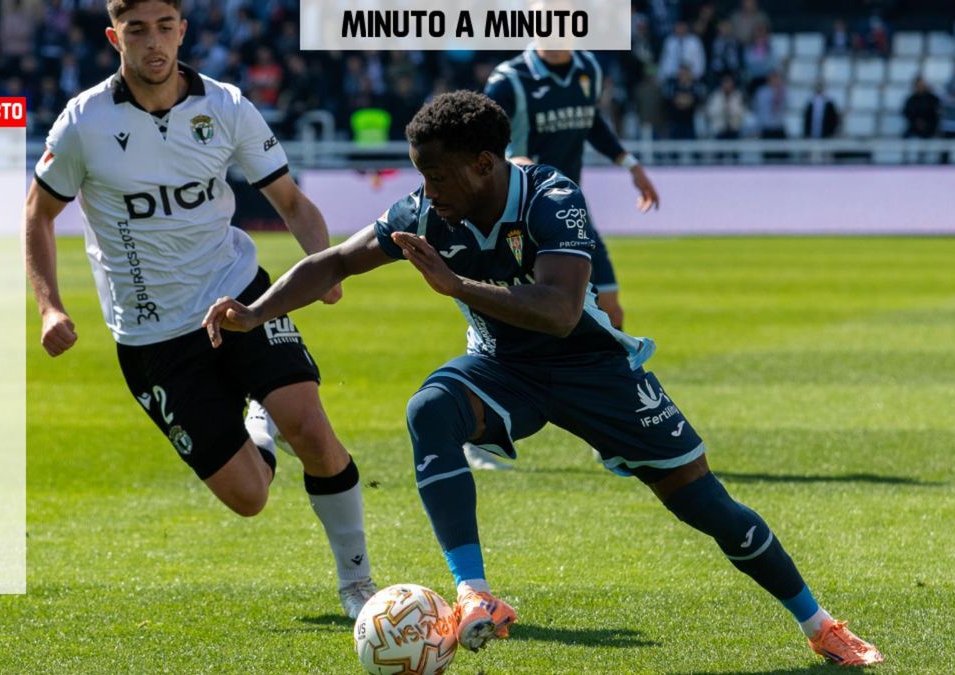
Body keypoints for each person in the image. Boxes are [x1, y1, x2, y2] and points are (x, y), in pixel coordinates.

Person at [203, 91, 886, 666]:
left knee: (704, 504)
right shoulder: (425, 211)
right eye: (421, 177)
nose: (428, 192)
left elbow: (559, 312)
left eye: (437, 177)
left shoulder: (552, 199)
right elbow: (336, 262)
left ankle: (819, 623)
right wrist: (255, 311)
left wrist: (454, 283)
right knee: (431, 408)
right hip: (504, 366)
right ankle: (473, 592)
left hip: (593, 370)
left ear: (482, 163)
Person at [23, 0, 376, 618]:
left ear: (182, 31)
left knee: (315, 434)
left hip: (239, 294)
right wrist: (49, 307)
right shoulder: (84, 123)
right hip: (151, 335)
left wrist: (326, 265)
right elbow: (39, 214)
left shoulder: (227, 106)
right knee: (249, 497)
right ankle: (259, 426)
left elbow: (291, 201)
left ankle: (358, 585)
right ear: (115, 37)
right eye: (138, 30)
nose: (154, 43)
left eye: (165, 27)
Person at [473, 44, 660, 470]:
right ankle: (478, 434)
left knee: (610, 309)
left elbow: (590, 122)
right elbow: (486, 146)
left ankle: (611, 426)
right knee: (505, 319)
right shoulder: (510, 80)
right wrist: (518, 165)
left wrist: (629, 163)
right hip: (517, 216)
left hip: (568, 210)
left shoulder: (587, 68)